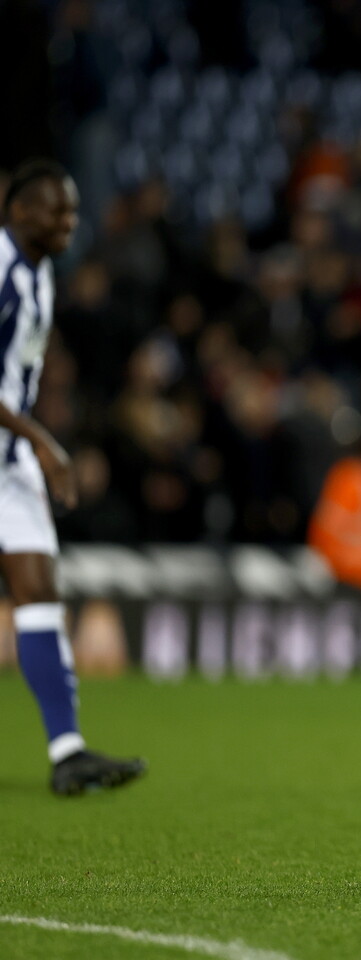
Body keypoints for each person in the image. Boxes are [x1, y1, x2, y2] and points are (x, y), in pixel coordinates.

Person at [0, 159, 146, 795]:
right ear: (21, 212)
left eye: (73, 211)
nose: (69, 222)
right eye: (58, 211)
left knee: (38, 594)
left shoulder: (39, 271)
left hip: (9, 460)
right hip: (18, 447)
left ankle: (67, 753)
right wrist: (43, 440)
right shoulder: (2, 270)